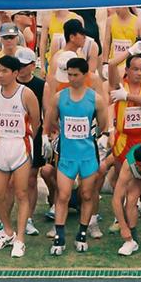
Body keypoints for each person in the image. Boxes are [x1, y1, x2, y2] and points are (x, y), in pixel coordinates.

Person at [46, 56, 110, 255]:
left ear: (85, 75)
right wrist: (59, 134)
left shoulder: (95, 99)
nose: (71, 78)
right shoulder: (59, 97)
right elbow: (51, 120)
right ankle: (59, 236)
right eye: (69, 74)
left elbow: (103, 125)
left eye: (75, 75)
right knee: (63, 195)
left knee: (87, 194)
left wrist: (93, 135)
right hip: (67, 156)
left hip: (88, 156)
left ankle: (82, 233)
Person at [0, 55, 40, 258]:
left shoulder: (26, 94)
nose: (0, 75)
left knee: (21, 193)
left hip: (20, 145)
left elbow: (36, 122)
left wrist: (26, 140)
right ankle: (8, 232)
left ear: (15, 73)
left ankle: (20, 240)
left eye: (4, 71)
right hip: (2, 144)